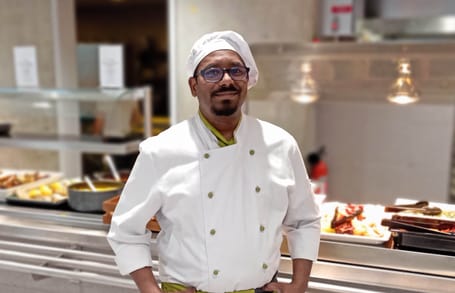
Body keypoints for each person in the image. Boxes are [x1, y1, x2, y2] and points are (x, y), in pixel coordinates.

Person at [107, 30, 321, 293]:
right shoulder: (161, 151)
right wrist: (151, 290)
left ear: (247, 79)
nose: (226, 80)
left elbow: (304, 221)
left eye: (236, 70)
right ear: (194, 86)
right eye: (212, 72)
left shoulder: (281, 144)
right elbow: (126, 231)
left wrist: (299, 284)